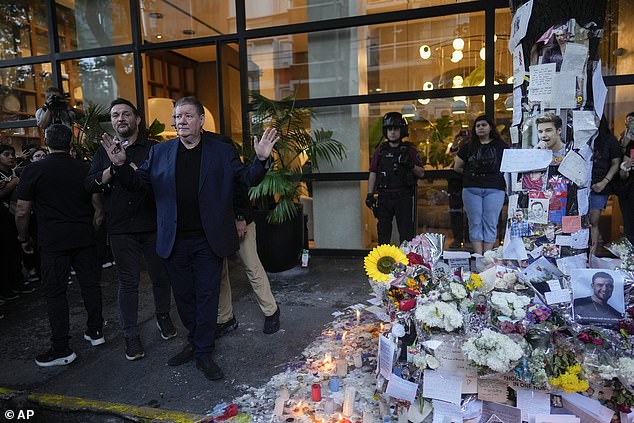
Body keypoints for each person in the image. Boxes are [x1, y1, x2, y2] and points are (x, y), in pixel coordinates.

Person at [101, 96, 278, 381]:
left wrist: (261, 159)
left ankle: (204, 351)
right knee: (183, 297)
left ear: (200, 121)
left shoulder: (220, 151)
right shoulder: (161, 153)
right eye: (177, 117)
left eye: (186, 116)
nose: (179, 121)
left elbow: (247, 179)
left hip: (208, 240)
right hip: (174, 240)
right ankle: (196, 343)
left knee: (207, 296)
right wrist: (120, 166)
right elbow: (137, 184)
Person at [85, 98, 177, 361]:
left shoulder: (153, 149)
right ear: (112, 121)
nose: (120, 118)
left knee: (161, 276)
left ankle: (162, 316)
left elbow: (163, 182)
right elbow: (89, 184)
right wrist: (113, 169)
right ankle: (131, 335)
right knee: (128, 283)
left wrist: (135, 171)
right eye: (115, 115)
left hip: (152, 224)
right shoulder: (103, 151)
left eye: (126, 114)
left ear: (137, 120)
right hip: (121, 228)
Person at [14, 124, 104, 367]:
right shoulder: (84, 168)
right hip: (83, 236)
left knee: (55, 293)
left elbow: (22, 210)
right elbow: (98, 209)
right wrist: (91, 230)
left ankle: (61, 348)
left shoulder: (34, 170)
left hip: (53, 241)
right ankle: (96, 332)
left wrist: (23, 238)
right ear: (71, 144)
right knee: (90, 286)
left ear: (46, 141)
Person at [215, 130, 280, 336]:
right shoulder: (191, 150)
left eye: (188, 116)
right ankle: (224, 318)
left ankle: (272, 312)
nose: (182, 121)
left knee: (252, 266)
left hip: (238, 220)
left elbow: (241, 184)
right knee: (219, 273)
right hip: (216, 224)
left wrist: (240, 218)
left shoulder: (221, 145)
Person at [366, 112, 424, 245]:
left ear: (401, 130)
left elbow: (421, 173)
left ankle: (407, 263)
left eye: (396, 129)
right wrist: (370, 194)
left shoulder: (409, 150)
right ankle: (384, 263)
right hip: (384, 197)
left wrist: (410, 164)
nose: (392, 132)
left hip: (403, 196)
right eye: (389, 129)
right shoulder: (380, 151)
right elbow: (373, 172)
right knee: (383, 233)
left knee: (406, 234)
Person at [454, 115, 508, 255]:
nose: (481, 128)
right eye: (478, 126)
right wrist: (469, 175)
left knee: (490, 221)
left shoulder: (501, 146)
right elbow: (457, 167)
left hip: (494, 188)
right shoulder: (467, 147)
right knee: (475, 222)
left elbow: (508, 166)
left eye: (484, 125)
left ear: (490, 127)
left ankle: (487, 256)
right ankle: (478, 256)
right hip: (472, 189)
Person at [589, 118, 621, 253]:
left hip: (600, 184)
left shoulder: (610, 140)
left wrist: (604, 182)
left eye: (595, 118)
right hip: (582, 185)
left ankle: (593, 253)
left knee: (593, 220)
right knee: (581, 220)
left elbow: (616, 163)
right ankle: (587, 250)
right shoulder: (584, 138)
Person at [617, 113, 634, 243]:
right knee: (630, 224)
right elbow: (622, 175)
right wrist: (625, 167)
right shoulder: (624, 142)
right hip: (629, 191)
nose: (629, 124)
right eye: (628, 121)